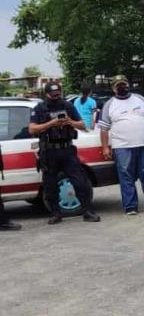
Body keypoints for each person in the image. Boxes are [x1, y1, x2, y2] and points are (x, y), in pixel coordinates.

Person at [28, 82, 101, 224]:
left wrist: (70, 122)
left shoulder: (67, 105)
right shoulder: (40, 108)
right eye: (53, 95)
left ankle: (87, 211)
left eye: (58, 94)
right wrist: (51, 124)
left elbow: (82, 125)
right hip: (49, 152)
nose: (56, 97)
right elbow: (32, 129)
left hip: (67, 150)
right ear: (46, 94)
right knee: (50, 185)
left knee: (80, 182)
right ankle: (56, 214)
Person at [98, 75, 144, 215]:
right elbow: (103, 128)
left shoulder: (140, 99)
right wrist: (105, 147)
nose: (122, 87)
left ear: (128, 85)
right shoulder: (109, 104)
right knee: (126, 175)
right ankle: (130, 207)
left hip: (143, 144)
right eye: (118, 85)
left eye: (124, 84)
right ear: (114, 89)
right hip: (121, 146)